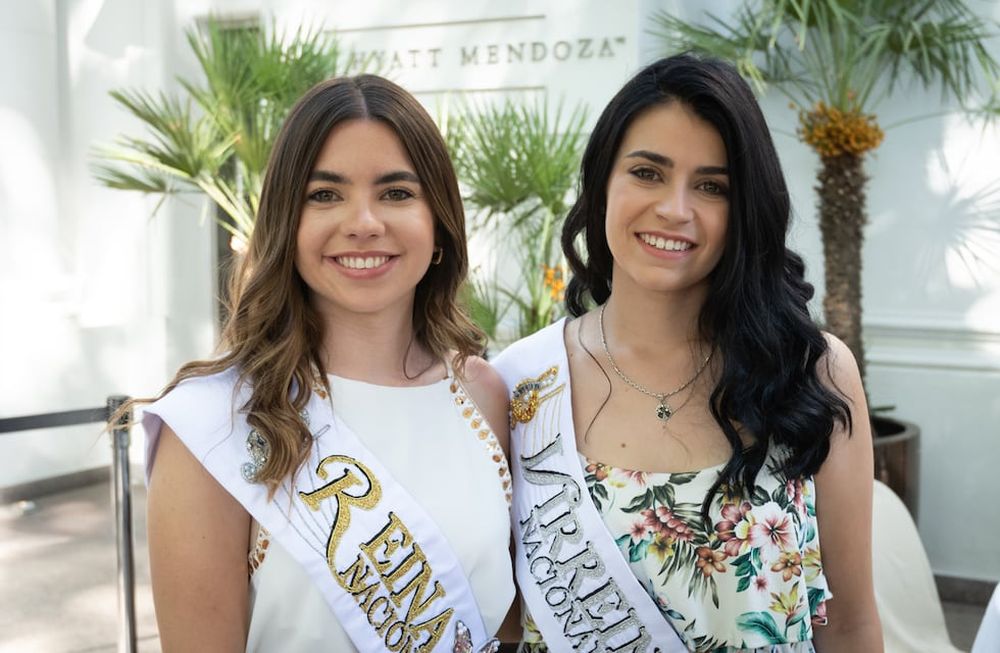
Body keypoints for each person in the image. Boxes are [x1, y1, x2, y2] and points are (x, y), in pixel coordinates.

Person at [493, 54, 882, 652]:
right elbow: (501, 625)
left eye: (711, 186)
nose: (676, 208)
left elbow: (850, 625)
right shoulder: (519, 385)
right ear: (601, 185)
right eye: (648, 172)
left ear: (744, 210)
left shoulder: (811, 373)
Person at [140, 75, 516, 652]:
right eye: (325, 195)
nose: (363, 222)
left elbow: (506, 625)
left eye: (396, 193)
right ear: (286, 225)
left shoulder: (484, 396)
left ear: (438, 225)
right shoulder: (214, 426)